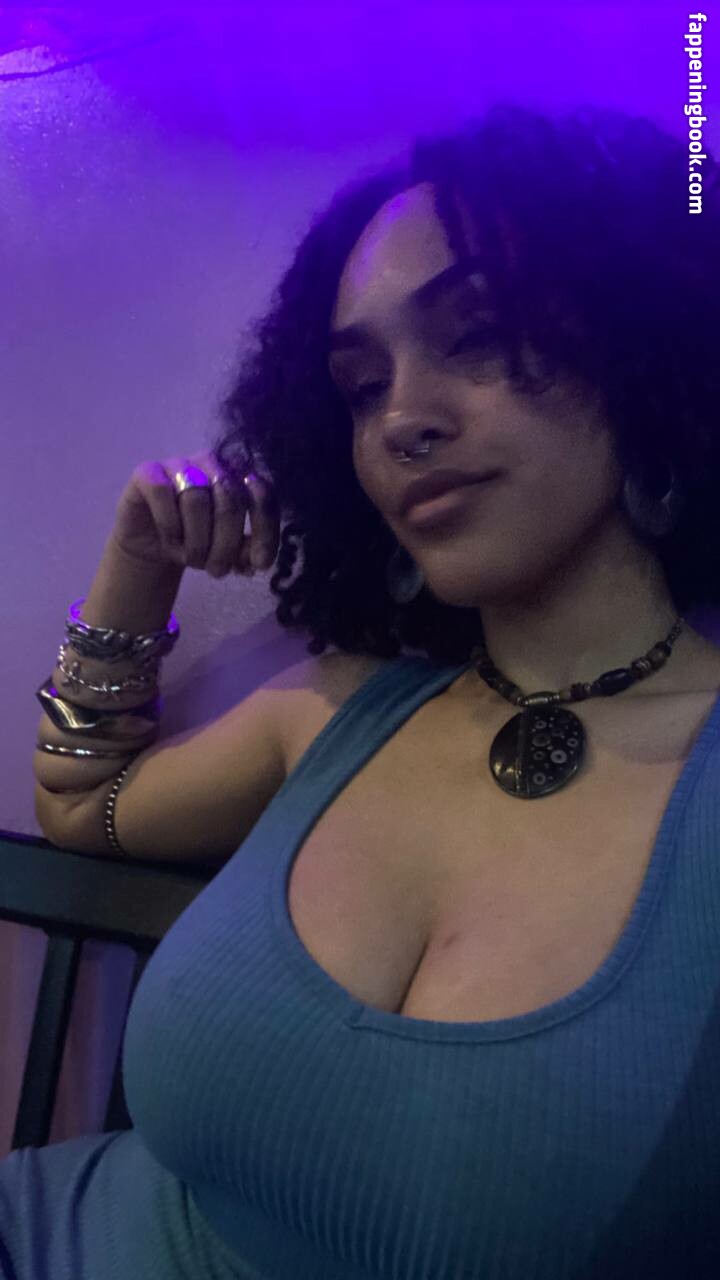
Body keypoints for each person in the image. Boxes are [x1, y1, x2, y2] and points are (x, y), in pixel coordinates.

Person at [5, 102, 720, 1278]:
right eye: (359, 384)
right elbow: (82, 804)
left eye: (477, 335)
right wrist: (138, 561)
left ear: (644, 349)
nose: (401, 419)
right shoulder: (339, 710)